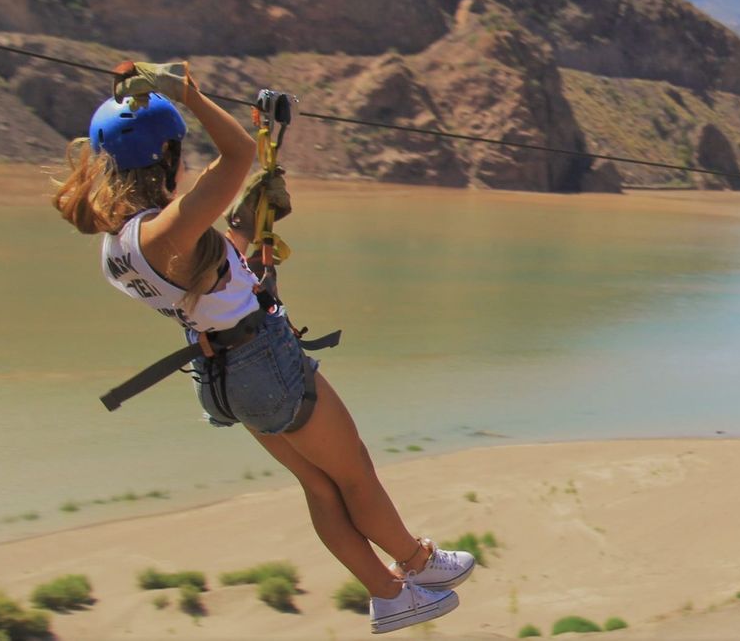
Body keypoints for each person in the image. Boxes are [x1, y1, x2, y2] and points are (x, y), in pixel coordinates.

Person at [52, 61, 473, 634]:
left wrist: (247, 224)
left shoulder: (119, 247)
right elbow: (237, 154)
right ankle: (418, 561)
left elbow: (207, 275)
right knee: (354, 473)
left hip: (224, 376)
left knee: (320, 485)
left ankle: (390, 596)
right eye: (179, 150)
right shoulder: (165, 229)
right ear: (166, 155)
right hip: (263, 363)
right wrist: (187, 94)